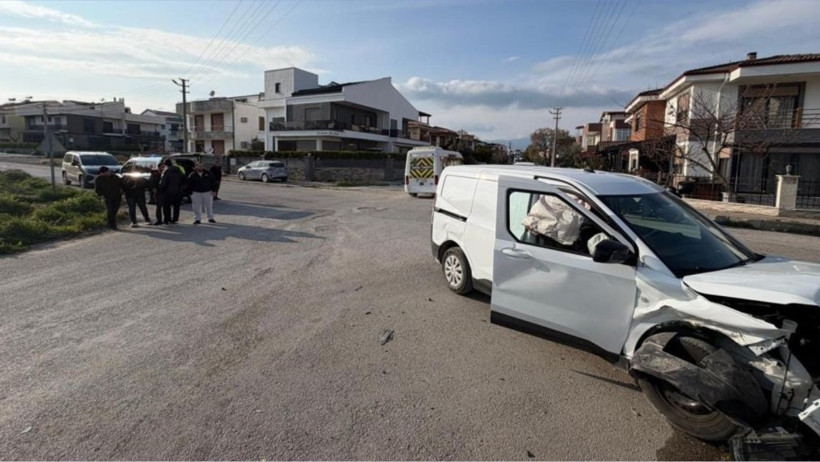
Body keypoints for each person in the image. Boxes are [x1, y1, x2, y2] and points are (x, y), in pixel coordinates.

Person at [94, 166, 123, 230]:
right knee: (110, 210)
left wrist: (122, 192)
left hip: (117, 196)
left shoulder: (115, 177)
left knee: (114, 211)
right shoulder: (99, 179)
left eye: (107, 171)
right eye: (105, 172)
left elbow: (121, 184)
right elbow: (97, 189)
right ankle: (113, 225)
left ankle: (109, 223)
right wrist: (100, 195)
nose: (107, 173)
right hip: (107, 197)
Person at [159, 159, 184, 224]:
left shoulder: (166, 172)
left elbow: (163, 183)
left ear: (166, 165)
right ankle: (175, 219)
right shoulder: (179, 171)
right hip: (177, 191)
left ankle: (167, 219)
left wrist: (161, 189)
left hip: (167, 192)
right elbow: (183, 180)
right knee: (176, 206)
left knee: (166, 206)